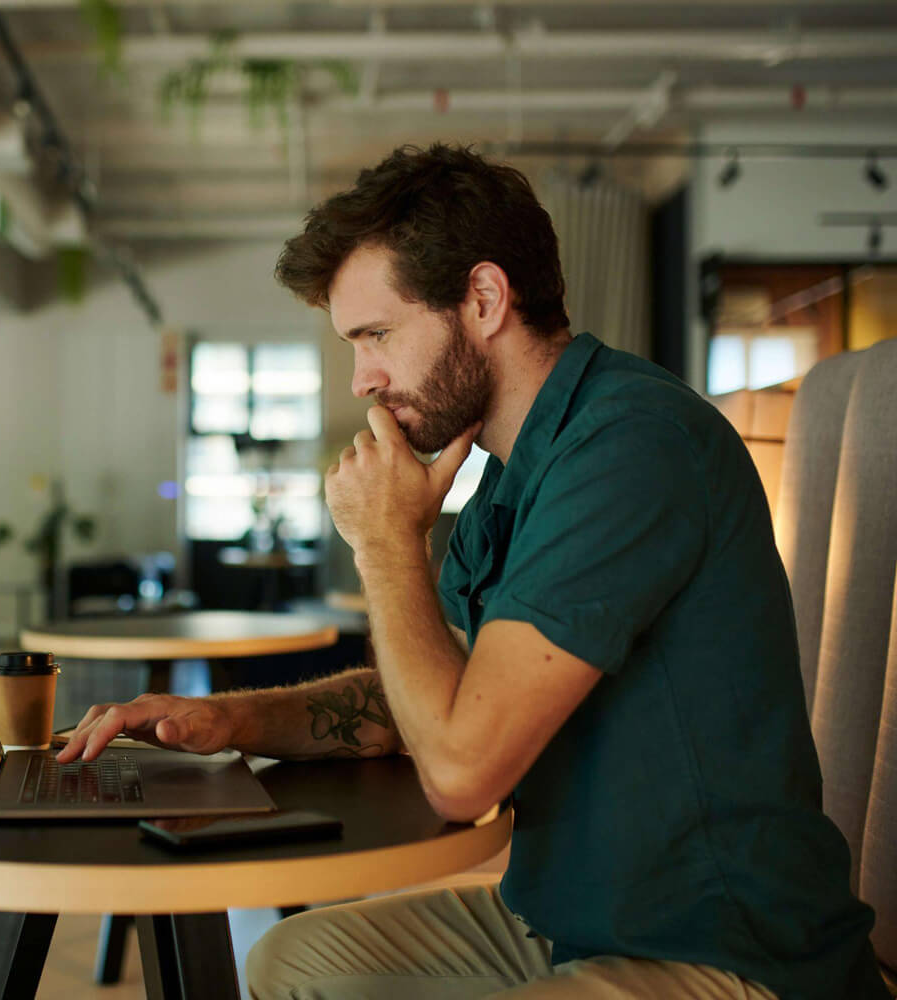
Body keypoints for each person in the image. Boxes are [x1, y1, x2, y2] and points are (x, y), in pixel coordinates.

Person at [57, 144, 889, 999]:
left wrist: (385, 542)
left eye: (377, 334)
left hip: (723, 952)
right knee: (287, 961)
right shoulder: (513, 471)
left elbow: (460, 773)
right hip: (571, 922)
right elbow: (427, 697)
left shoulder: (630, 446)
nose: (363, 380)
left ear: (484, 299)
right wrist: (222, 720)